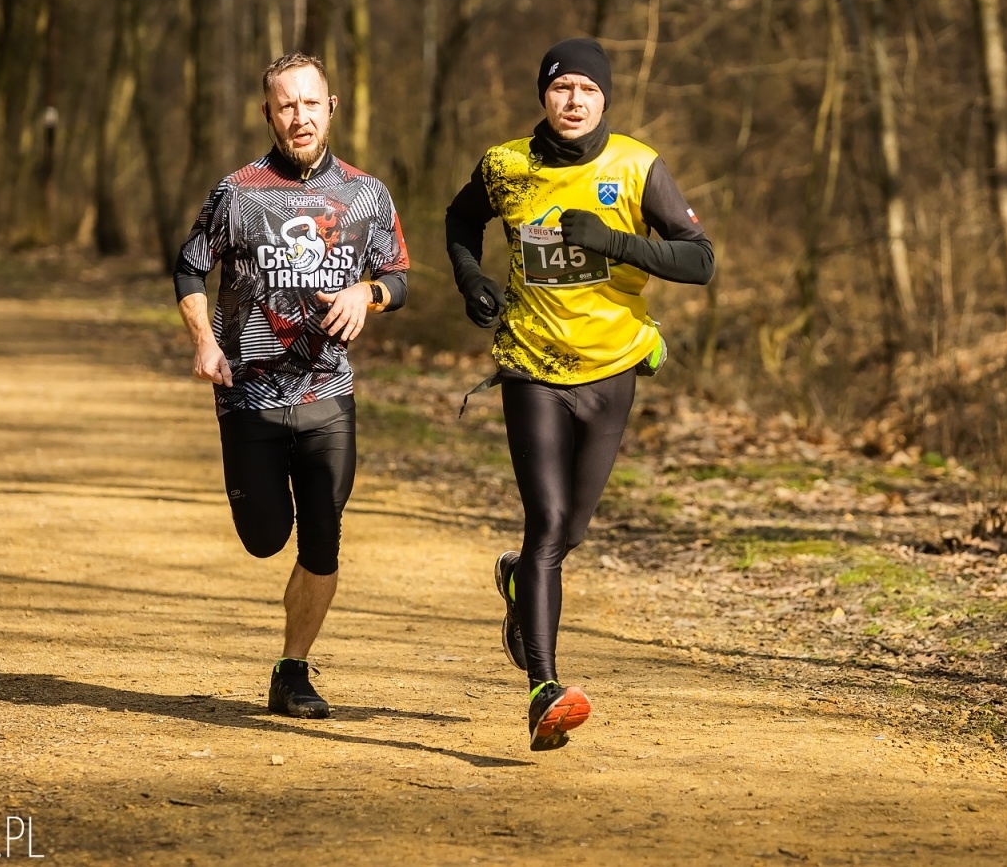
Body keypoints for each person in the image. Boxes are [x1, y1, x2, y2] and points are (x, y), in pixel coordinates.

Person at [444, 37, 714, 751]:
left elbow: (700, 260)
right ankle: (543, 687)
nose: (573, 102)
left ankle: (517, 584)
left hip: (612, 367)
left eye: (587, 91)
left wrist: (616, 242)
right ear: (544, 95)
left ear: (604, 100)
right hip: (531, 365)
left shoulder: (635, 165)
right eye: (561, 88)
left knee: (569, 535)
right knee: (548, 520)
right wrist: (473, 280)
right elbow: (459, 219)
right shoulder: (506, 166)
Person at [174, 52, 409, 719]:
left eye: (311, 103)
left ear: (331, 108)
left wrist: (370, 295)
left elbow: (399, 278)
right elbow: (190, 270)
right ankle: (287, 634)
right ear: (268, 115)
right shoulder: (238, 192)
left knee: (323, 538)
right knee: (265, 538)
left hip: (327, 392)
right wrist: (204, 339)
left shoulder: (367, 195)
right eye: (286, 105)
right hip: (248, 393)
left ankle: (292, 668)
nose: (299, 116)